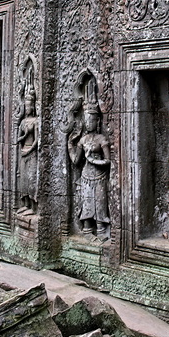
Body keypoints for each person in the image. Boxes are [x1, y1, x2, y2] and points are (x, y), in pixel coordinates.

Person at [68, 100, 111, 236]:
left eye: (91, 120)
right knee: (87, 203)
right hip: (86, 176)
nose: (89, 123)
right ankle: (87, 229)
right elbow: (75, 161)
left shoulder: (101, 139)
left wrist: (92, 160)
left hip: (100, 176)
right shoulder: (83, 140)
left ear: (97, 121)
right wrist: (70, 144)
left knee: (100, 203)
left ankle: (101, 230)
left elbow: (108, 161)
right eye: (86, 120)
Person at [16, 89, 38, 215]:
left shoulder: (35, 121)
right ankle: (25, 204)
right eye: (26, 105)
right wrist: (25, 135)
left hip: (31, 152)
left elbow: (36, 141)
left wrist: (29, 149)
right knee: (23, 179)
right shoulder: (23, 122)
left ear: (34, 106)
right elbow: (18, 139)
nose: (28, 107)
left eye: (30, 105)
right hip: (23, 152)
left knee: (32, 179)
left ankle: (33, 207)